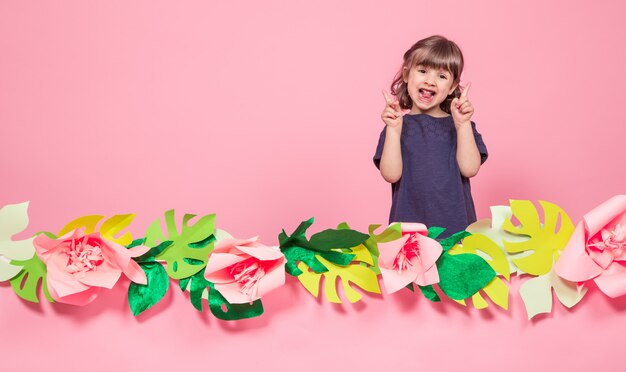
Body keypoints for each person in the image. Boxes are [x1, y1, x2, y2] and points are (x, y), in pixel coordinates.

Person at [373, 35, 488, 236]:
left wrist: (462, 125)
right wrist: (393, 129)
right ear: (407, 75)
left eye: (442, 76)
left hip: (456, 233)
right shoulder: (397, 126)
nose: (430, 81)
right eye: (423, 71)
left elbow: (470, 169)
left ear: (452, 87)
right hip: (410, 236)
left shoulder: (460, 126)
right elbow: (390, 175)